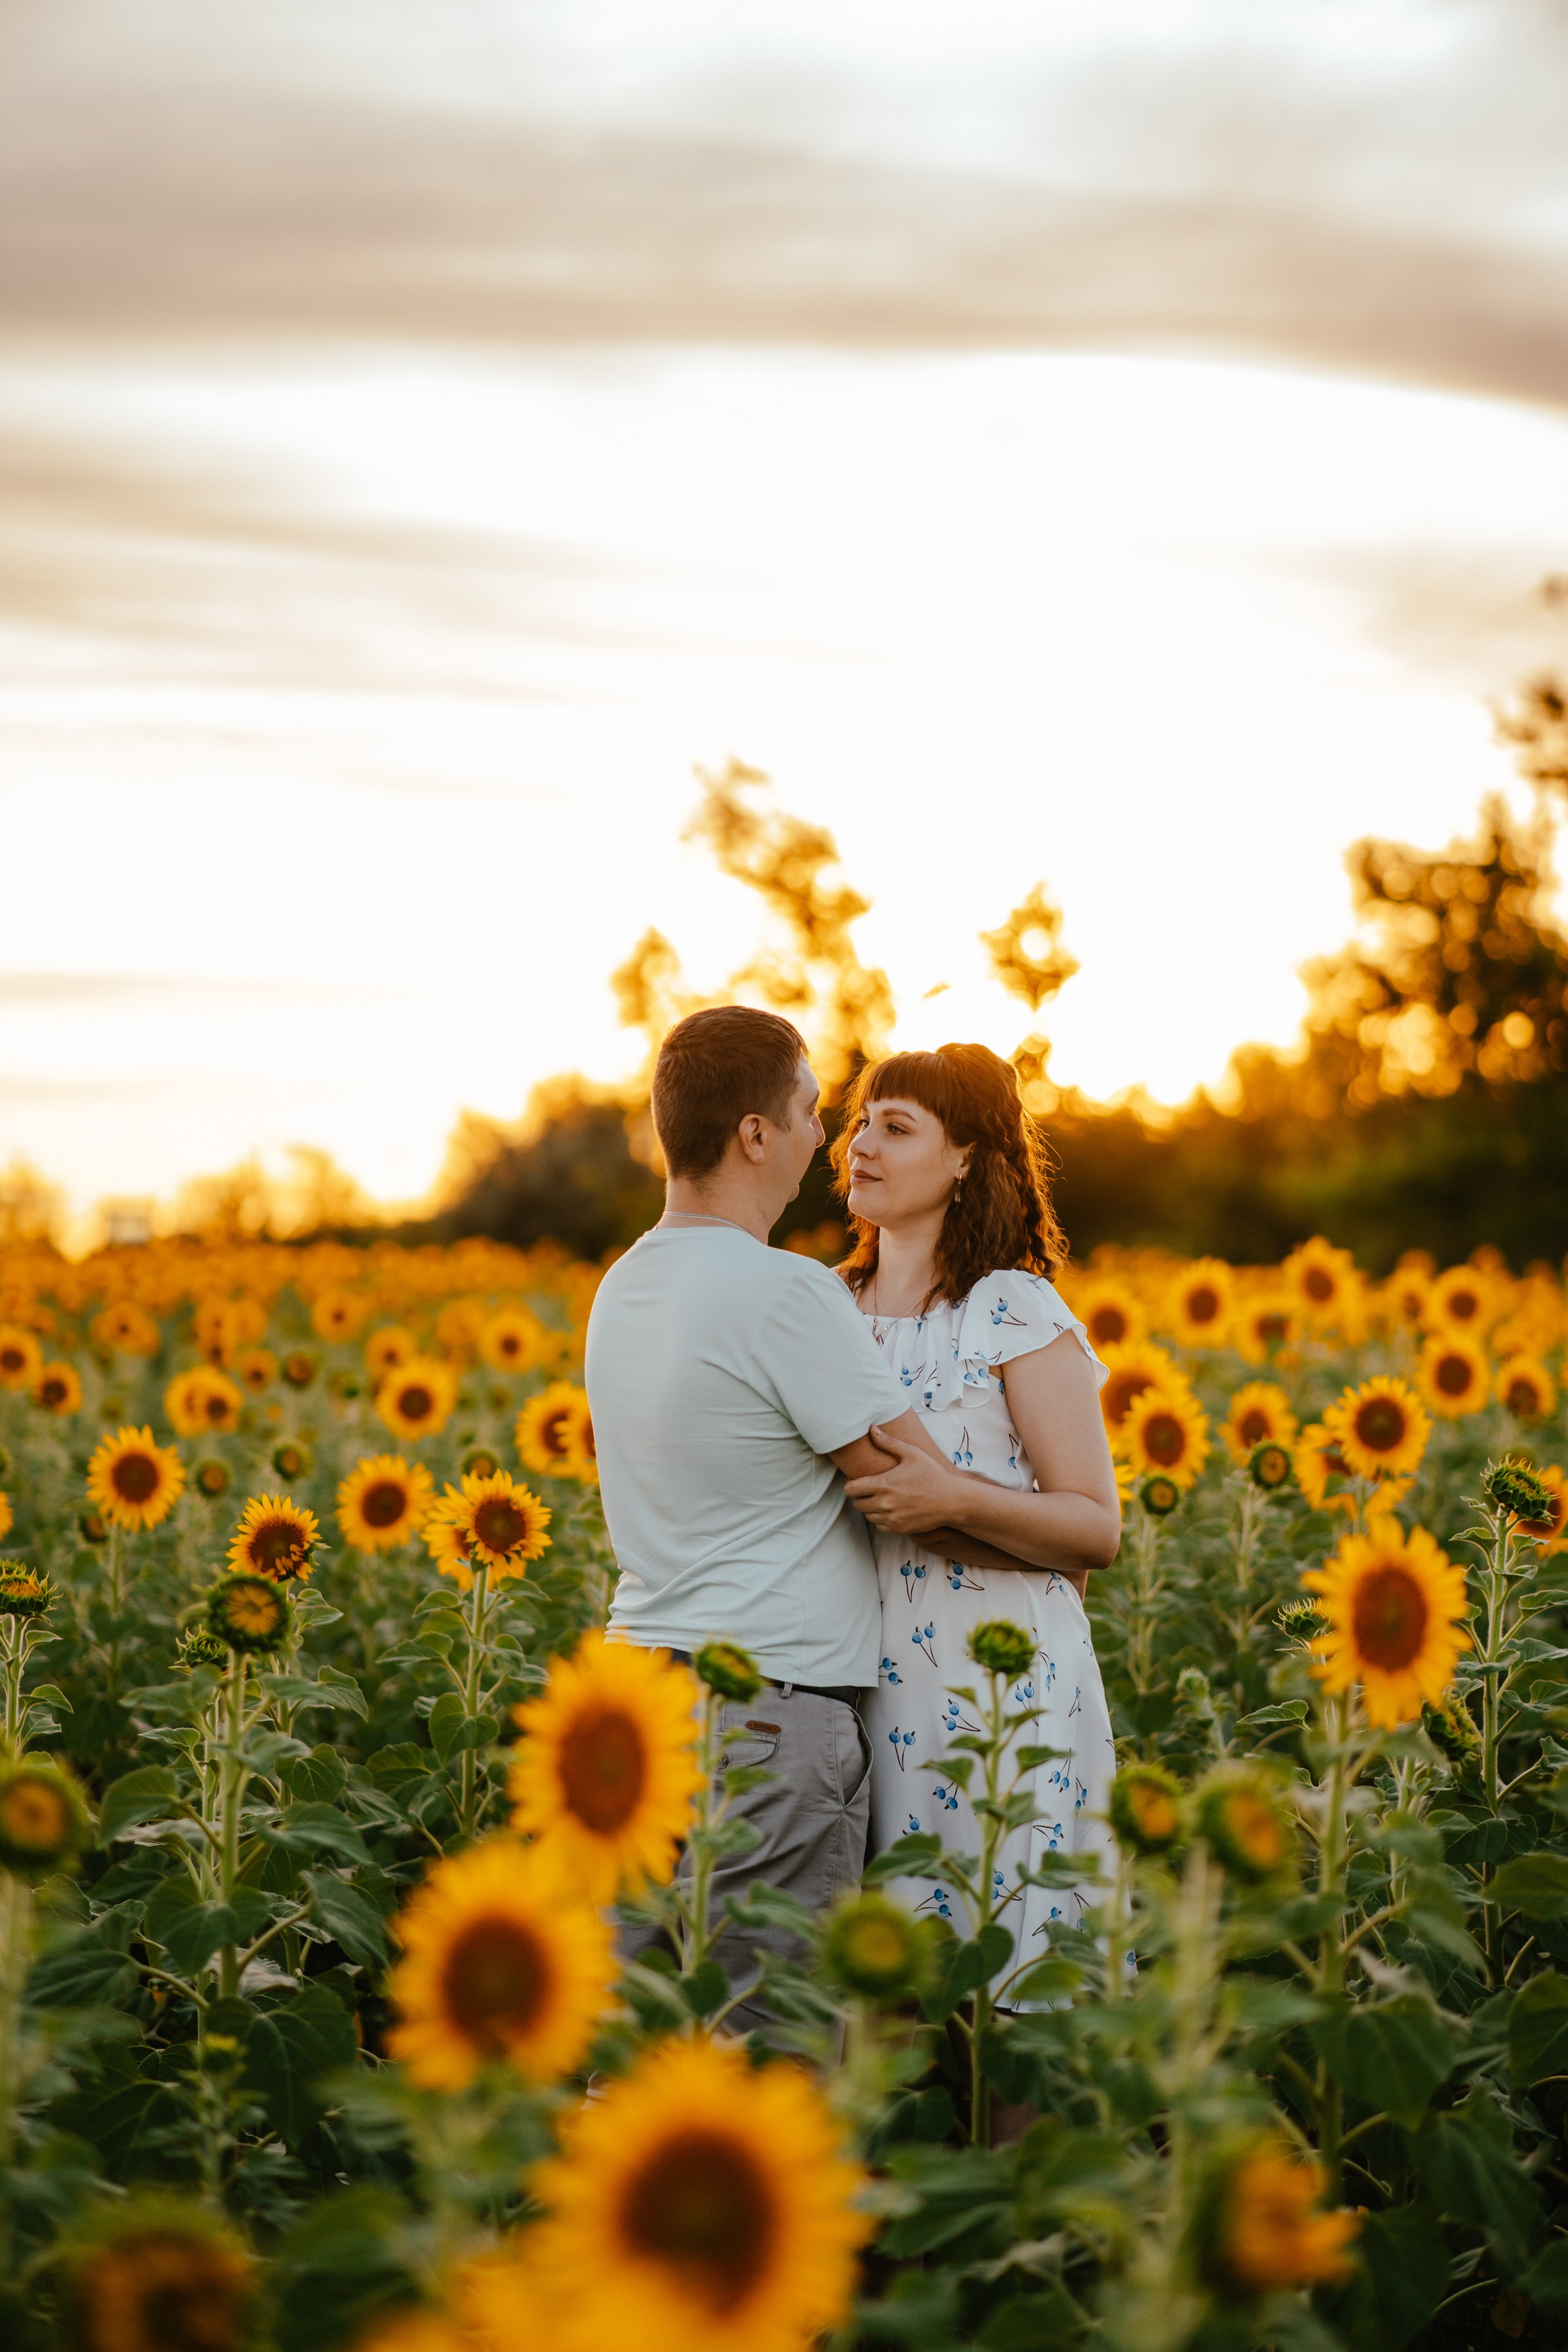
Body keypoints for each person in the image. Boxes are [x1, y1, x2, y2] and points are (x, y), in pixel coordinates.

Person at [586, 1004, 1024, 2021]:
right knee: (772, 2045)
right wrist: (1053, 1541)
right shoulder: (786, 1291)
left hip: (635, 1711)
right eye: (810, 1110)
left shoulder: (624, 1282)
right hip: (763, 1719)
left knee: (637, 2040)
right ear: (753, 1135)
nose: (825, 1138)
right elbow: (909, 1487)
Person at [831, 1042, 1122, 1970]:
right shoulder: (826, 1307)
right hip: (862, 1692)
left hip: (1003, 1692)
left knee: (1010, 1984)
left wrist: (952, 1495)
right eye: (860, 1124)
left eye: (898, 1127)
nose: (863, 1146)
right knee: (885, 1994)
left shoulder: (1008, 1310)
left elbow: (1094, 1527)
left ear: (965, 1160)